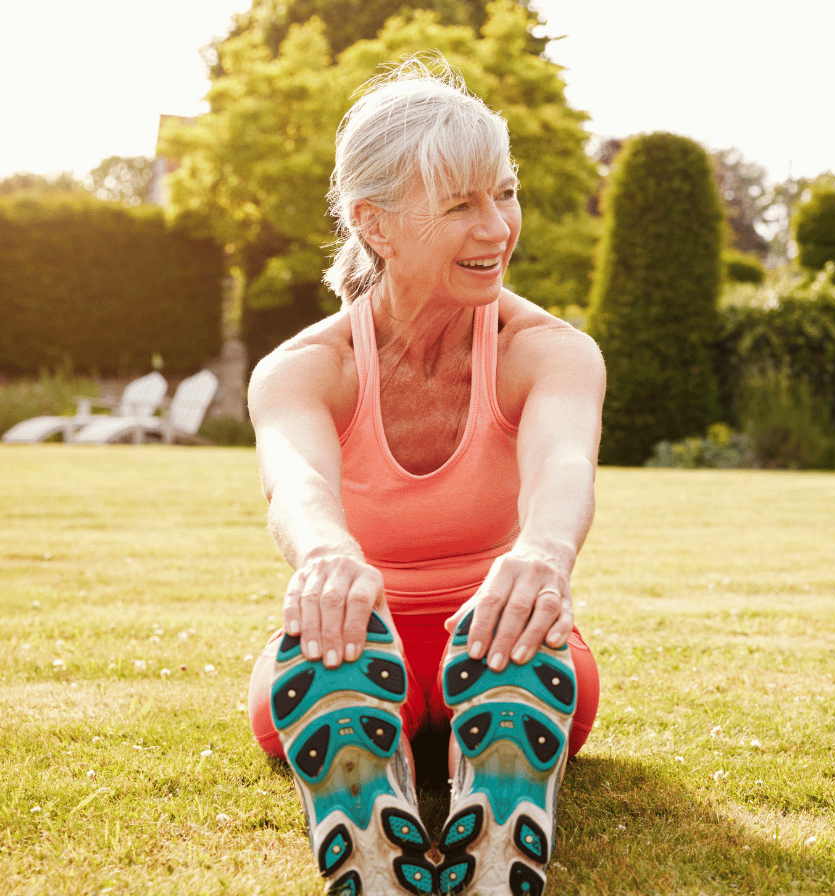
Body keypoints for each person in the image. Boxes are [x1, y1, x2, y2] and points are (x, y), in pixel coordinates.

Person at [243, 60, 603, 896]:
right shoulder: (305, 369)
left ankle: (496, 802)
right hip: (357, 632)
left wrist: (543, 553)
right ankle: (375, 825)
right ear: (375, 222)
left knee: (518, 652)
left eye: (504, 194)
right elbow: (295, 483)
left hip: (504, 626)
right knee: (328, 661)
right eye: (460, 206)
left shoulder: (548, 353)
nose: (498, 228)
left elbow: (564, 464)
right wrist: (327, 555)